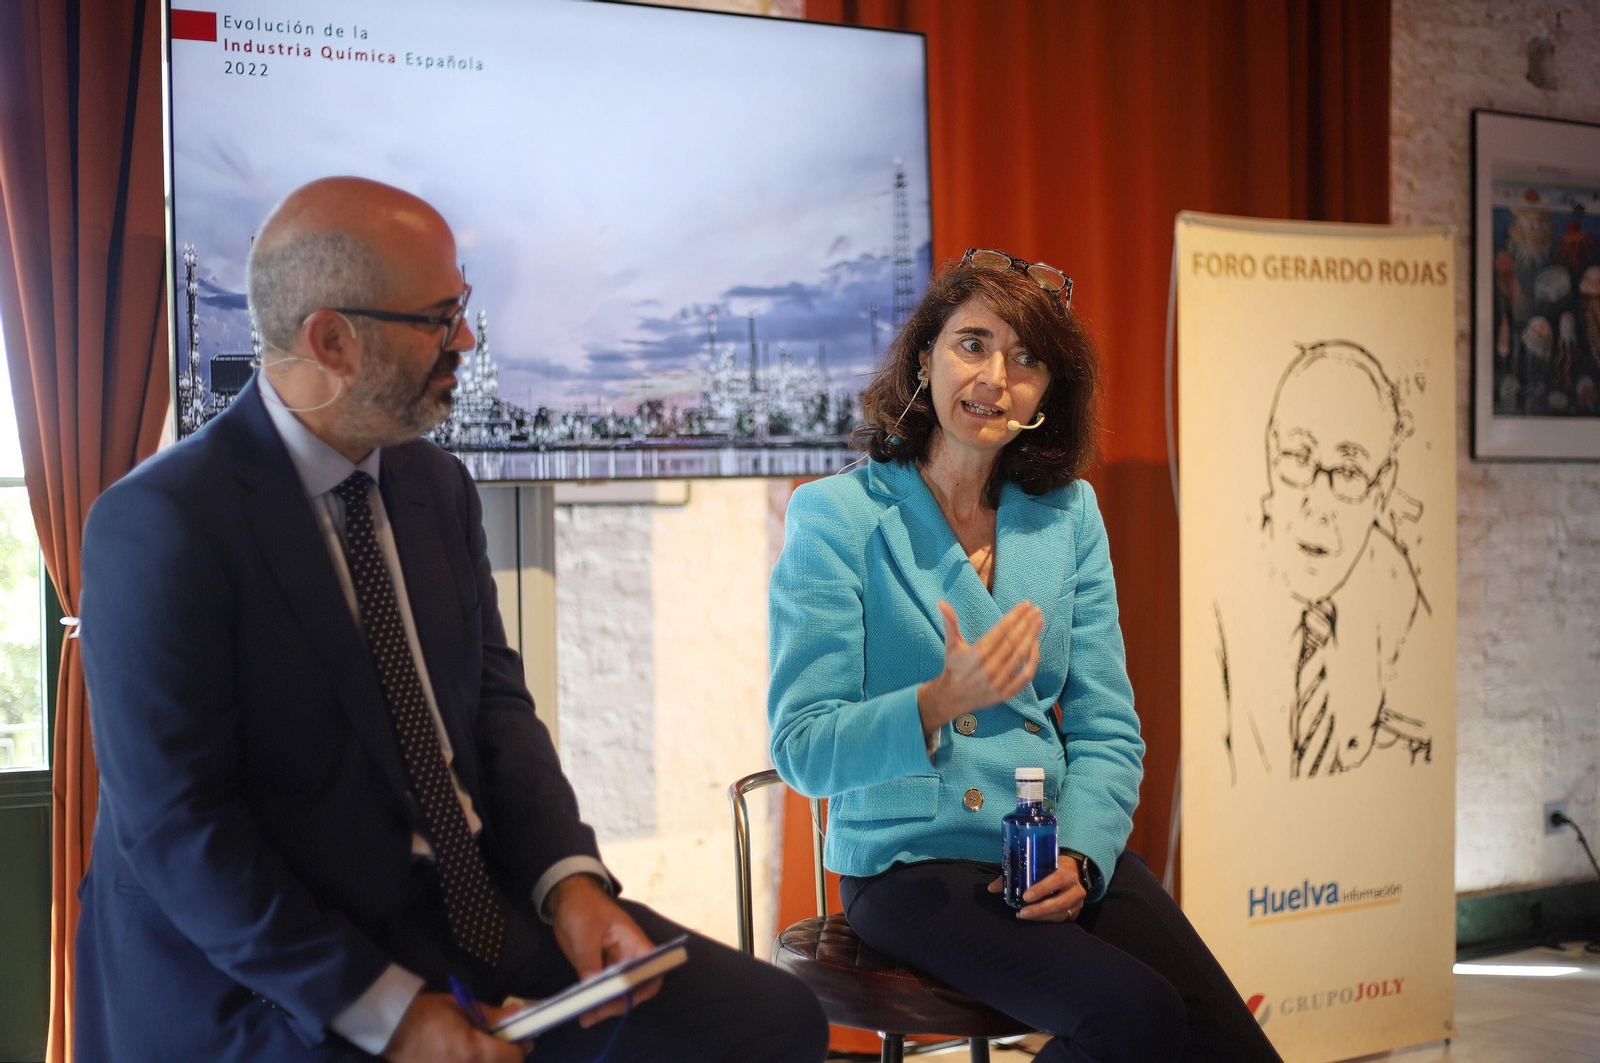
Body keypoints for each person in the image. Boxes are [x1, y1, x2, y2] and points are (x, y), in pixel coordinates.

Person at [75, 176, 827, 1063]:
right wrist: (392, 1013)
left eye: (461, 306)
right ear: (332, 339)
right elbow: (184, 835)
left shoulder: (436, 487)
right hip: (267, 962)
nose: (465, 337)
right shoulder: (161, 523)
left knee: (772, 1021)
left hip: (470, 904)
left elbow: (496, 711)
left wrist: (571, 884)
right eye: (439, 316)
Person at [767, 250, 1283, 1062]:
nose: (995, 376)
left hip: (1046, 849)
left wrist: (1080, 850)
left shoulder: (1067, 514)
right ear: (924, 358)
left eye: (1028, 358)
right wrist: (936, 701)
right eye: (973, 343)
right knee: (1135, 1015)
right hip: (909, 863)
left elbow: (1109, 727)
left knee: (1233, 1044)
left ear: (1049, 394)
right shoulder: (834, 517)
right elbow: (801, 746)